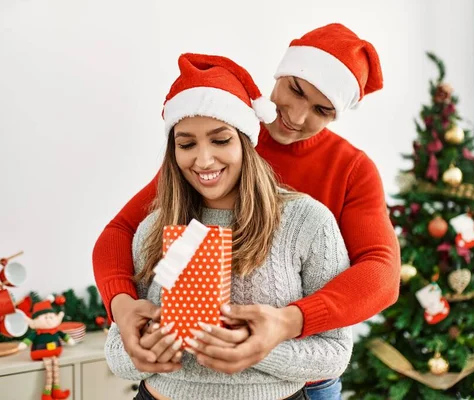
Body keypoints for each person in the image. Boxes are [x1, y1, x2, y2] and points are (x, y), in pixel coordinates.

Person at [94, 23, 401, 398]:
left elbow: (382, 273)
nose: (298, 116)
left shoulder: (349, 171)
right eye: (295, 90)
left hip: (301, 378)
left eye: (322, 109)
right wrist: (122, 306)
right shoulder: (216, 135)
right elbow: (123, 232)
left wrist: (287, 324)